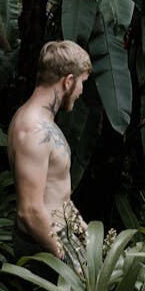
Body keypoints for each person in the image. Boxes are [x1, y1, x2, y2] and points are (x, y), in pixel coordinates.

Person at [7, 40, 92, 261]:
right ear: (68, 81)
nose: (81, 91)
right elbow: (30, 211)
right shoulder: (32, 130)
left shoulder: (42, 120)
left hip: (57, 238)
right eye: (82, 83)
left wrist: (80, 229)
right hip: (43, 247)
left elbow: (54, 190)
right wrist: (66, 259)